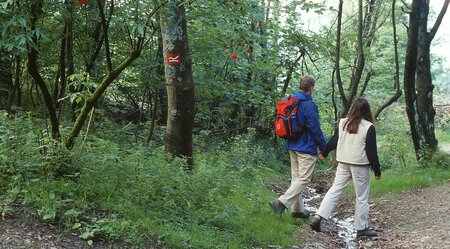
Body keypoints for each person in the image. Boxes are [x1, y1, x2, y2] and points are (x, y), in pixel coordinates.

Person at [309, 97, 381, 237]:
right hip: (360, 166)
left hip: (343, 163)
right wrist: (377, 171)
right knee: (361, 196)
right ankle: (361, 228)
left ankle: (318, 216)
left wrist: (324, 152)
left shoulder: (343, 123)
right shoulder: (368, 127)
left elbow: (333, 141)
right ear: (367, 110)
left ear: (353, 109)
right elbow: (372, 152)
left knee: (335, 189)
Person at [269, 75, 327, 219]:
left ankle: (297, 211)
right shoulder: (308, 104)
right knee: (304, 179)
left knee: (297, 178)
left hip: (291, 145)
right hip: (305, 147)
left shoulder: (291, 101)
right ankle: (281, 203)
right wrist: (324, 147)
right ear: (311, 88)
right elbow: (314, 128)